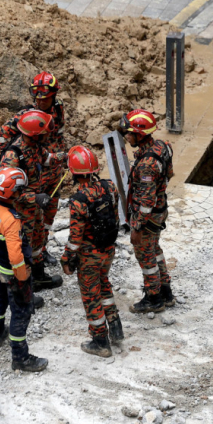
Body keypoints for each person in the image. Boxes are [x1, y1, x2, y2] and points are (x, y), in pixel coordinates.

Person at [0, 168, 48, 372]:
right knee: (21, 313)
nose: (22, 193)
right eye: (20, 190)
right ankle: (20, 357)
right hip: (13, 274)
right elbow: (16, 256)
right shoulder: (10, 220)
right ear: (12, 193)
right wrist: (22, 278)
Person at [0, 72, 67, 265]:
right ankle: (26, 261)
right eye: (37, 98)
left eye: (45, 98)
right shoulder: (27, 116)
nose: (41, 102)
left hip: (53, 170)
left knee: (49, 215)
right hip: (35, 176)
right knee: (32, 219)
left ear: (54, 95)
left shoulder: (58, 109)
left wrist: (61, 157)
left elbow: (58, 136)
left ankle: (42, 249)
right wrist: (19, 158)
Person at [60, 146, 123, 358]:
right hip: (108, 249)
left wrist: (67, 258)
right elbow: (115, 217)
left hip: (89, 256)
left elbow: (75, 237)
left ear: (73, 172)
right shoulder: (110, 187)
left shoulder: (78, 200)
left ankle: (100, 341)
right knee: (103, 283)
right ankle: (115, 327)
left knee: (90, 295)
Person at [0, 109, 63, 292]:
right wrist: (33, 197)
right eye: (45, 134)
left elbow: (48, 159)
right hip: (20, 211)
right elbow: (7, 190)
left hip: (34, 209)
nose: (48, 136)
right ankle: (23, 289)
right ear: (34, 135)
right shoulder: (13, 156)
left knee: (37, 241)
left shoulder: (35, 147)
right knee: (22, 247)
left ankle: (38, 277)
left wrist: (64, 157)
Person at [120, 109, 175, 314]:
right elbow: (169, 175)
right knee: (156, 250)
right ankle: (166, 292)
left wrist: (136, 227)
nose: (126, 136)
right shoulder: (163, 146)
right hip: (161, 210)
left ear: (140, 135)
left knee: (145, 256)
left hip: (149, 216)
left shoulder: (145, 166)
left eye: (129, 133)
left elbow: (145, 202)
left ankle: (154, 298)